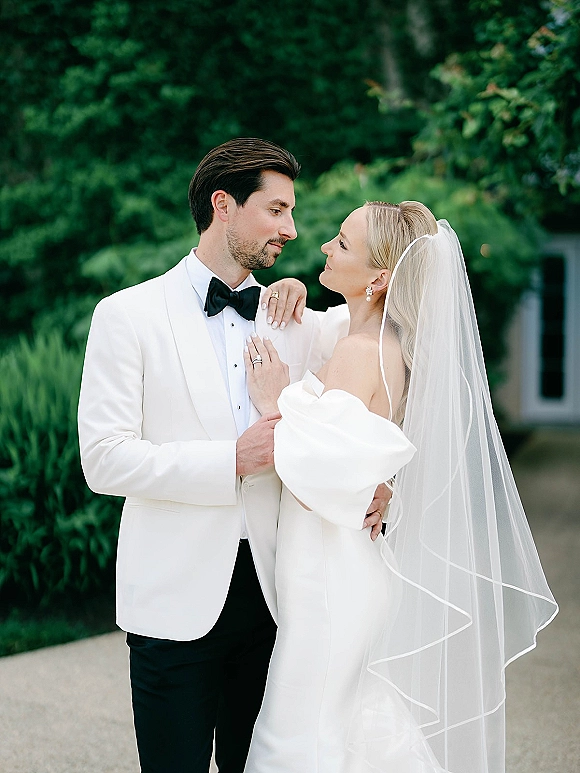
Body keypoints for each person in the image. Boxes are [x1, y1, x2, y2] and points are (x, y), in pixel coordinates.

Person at [77, 137, 389, 773]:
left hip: (279, 604)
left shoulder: (298, 319)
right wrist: (230, 461)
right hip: (172, 601)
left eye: (292, 212)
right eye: (275, 210)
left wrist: (378, 483)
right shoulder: (126, 315)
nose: (292, 229)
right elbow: (104, 460)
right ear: (224, 204)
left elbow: (383, 365)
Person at [242, 201, 558, 772]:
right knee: (333, 724)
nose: (324, 248)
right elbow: (358, 466)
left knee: (299, 735)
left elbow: (322, 481)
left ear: (379, 277)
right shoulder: (383, 344)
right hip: (344, 569)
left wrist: (271, 401)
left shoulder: (362, 353)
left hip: (330, 579)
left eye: (341, 242)